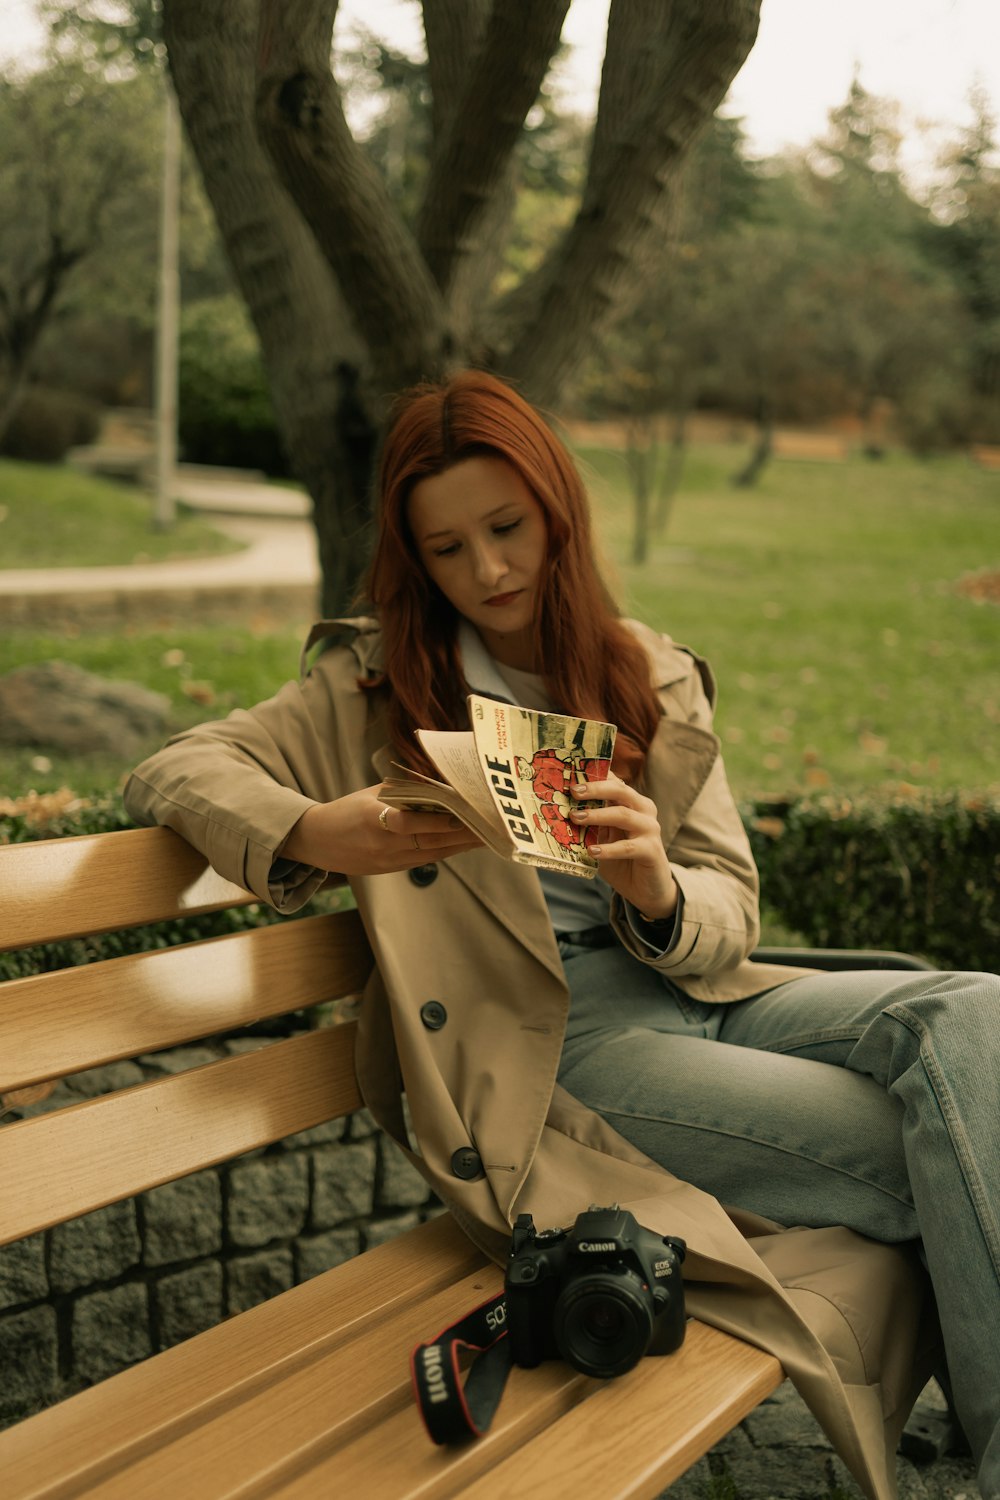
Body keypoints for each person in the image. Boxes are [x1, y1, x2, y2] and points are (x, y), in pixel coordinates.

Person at [125, 370, 999, 1500]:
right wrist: (309, 830)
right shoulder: (368, 687)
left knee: (974, 1012)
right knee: (945, 1153)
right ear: (411, 556)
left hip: (695, 990)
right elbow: (172, 766)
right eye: (446, 549)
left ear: (556, 512)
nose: (485, 571)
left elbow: (730, 907)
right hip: (554, 1047)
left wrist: (656, 892)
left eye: (506, 528)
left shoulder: (646, 671)